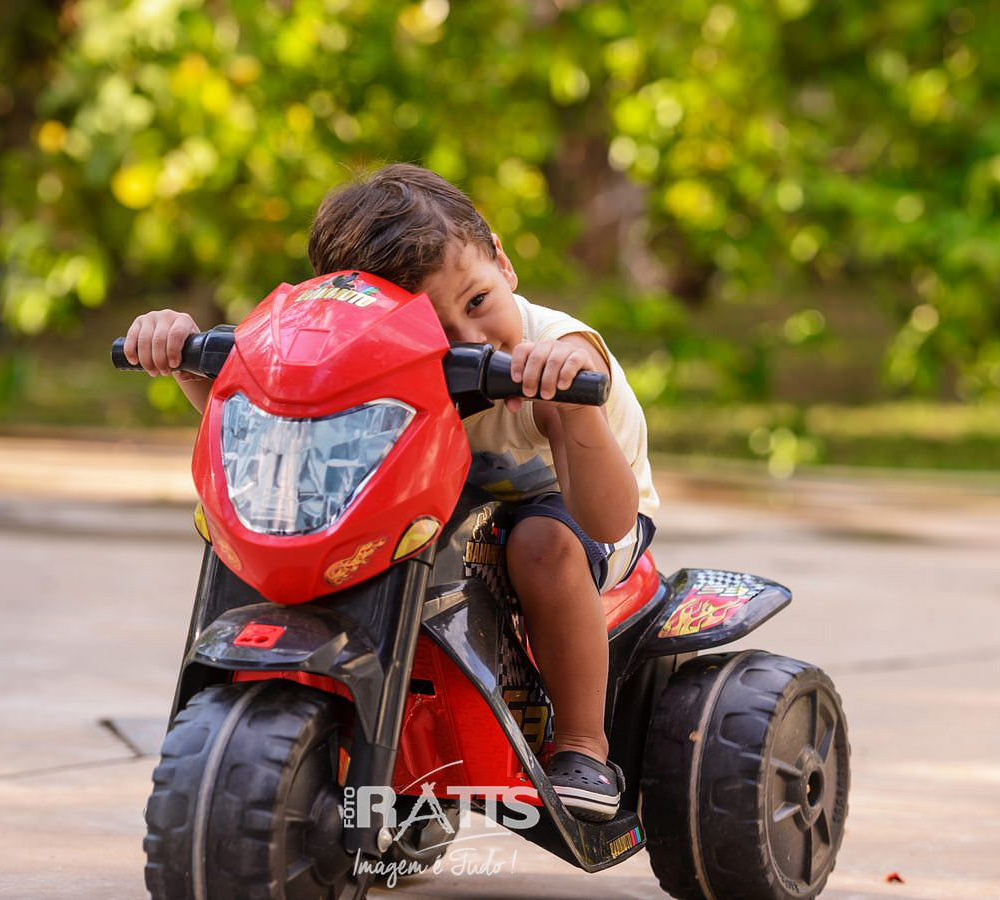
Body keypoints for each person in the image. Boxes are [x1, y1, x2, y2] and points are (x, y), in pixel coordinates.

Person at [124, 164, 659, 822]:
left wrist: (572, 400)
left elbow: (606, 520)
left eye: (477, 302)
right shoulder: (354, 353)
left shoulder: (555, 354)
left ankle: (583, 743)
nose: (469, 341)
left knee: (540, 543)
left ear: (502, 262)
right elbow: (261, 420)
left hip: (576, 506)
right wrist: (184, 357)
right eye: (435, 328)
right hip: (438, 499)